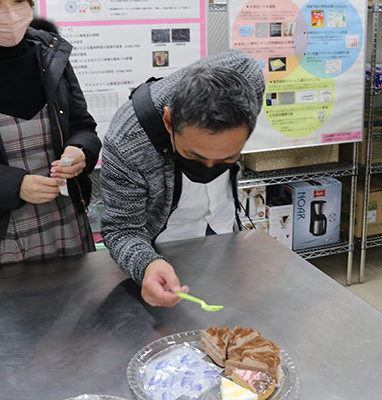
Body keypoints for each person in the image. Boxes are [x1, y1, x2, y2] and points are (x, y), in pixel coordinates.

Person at [100, 50, 265, 308]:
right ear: (168, 122)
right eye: (195, 156)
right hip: (164, 244)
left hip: (224, 226)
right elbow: (122, 229)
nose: (209, 168)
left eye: (226, 159)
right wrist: (147, 265)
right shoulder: (127, 142)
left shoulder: (248, 75)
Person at [0, 0, 101, 268]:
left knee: (79, 306)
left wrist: (81, 151)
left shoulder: (51, 54)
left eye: (19, 1)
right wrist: (15, 186)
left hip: (67, 221)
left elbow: (83, 126)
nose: (10, 13)